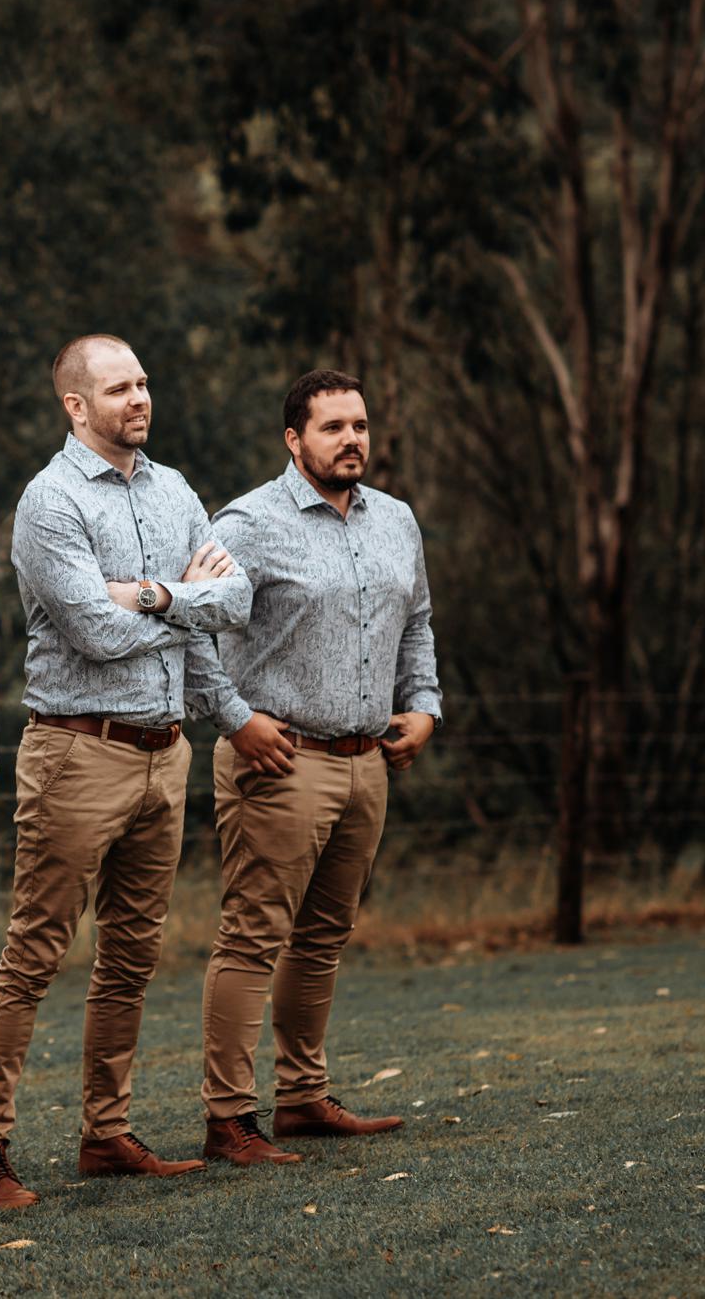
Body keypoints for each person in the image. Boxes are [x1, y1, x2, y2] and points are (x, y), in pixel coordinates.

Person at [0, 333, 250, 1206]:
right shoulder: (50, 503)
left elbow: (234, 600)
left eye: (144, 384)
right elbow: (94, 630)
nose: (140, 398)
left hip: (166, 755)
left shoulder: (175, 490)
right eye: (120, 388)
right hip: (78, 751)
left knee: (132, 955)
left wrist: (156, 594)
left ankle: (107, 1133)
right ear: (76, 406)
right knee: (35, 951)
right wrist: (182, 603)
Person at [188, 368, 443, 1166]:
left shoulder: (396, 520)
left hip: (369, 762)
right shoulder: (250, 522)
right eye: (333, 428)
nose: (352, 440)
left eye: (360, 425)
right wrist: (236, 719)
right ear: (294, 439)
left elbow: (419, 622)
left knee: (324, 935)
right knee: (253, 935)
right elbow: (192, 626)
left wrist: (425, 705)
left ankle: (302, 1096)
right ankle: (229, 1118)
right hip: (281, 760)